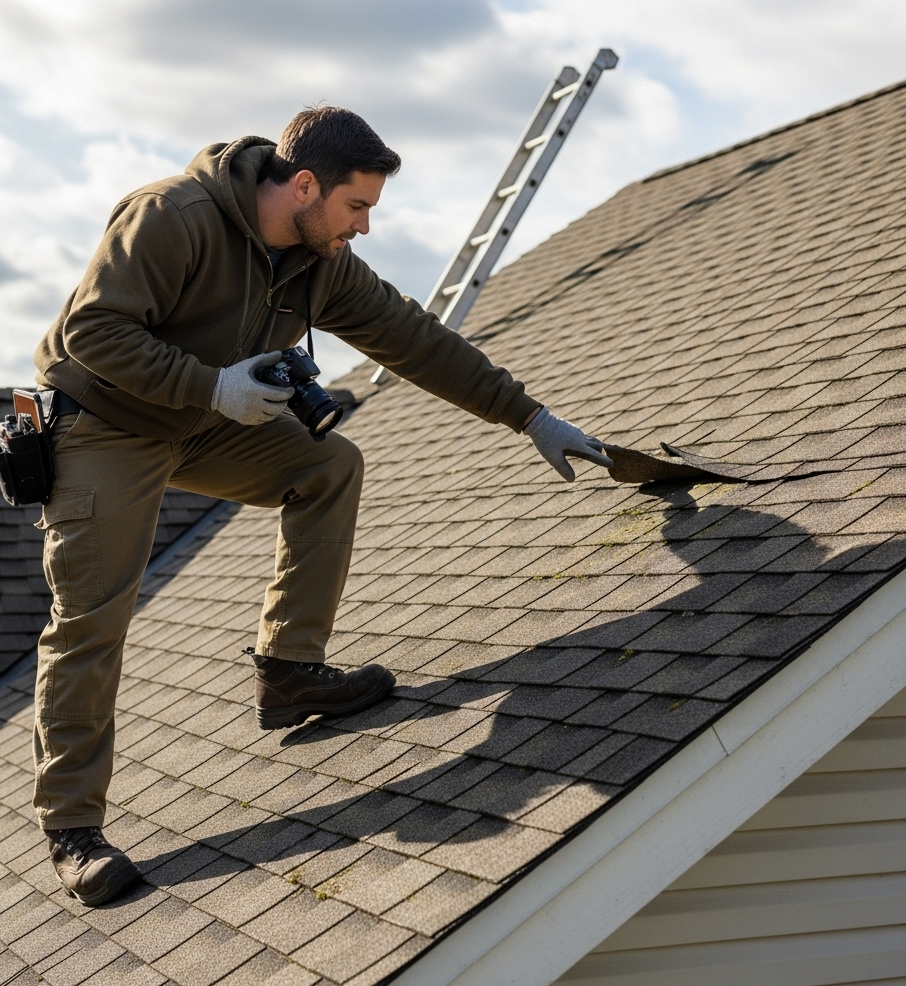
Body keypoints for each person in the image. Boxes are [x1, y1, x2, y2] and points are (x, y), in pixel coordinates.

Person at [31, 105, 612, 906]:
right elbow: (92, 332)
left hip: (205, 421)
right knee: (93, 616)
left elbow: (412, 337)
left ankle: (291, 673)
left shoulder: (319, 259)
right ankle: (72, 829)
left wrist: (531, 416)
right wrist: (213, 386)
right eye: (357, 206)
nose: (365, 227)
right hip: (107, 425)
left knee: (327, 465)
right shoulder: (173, 216)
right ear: (304, 184)